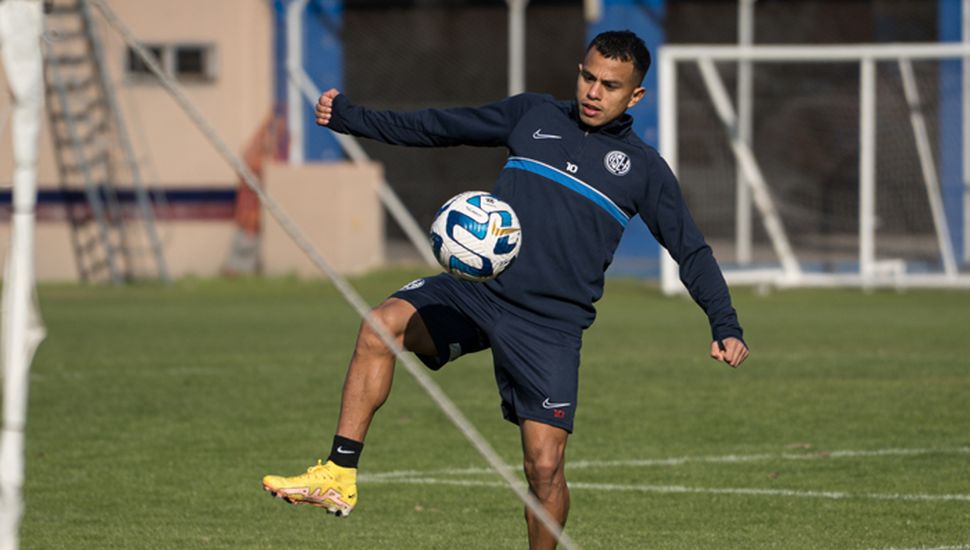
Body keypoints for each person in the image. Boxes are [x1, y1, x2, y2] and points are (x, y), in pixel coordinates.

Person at [262, 30, 749, 549]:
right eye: (588, 76)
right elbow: (440, 126)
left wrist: (725, 322)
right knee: (381, 325)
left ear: (635, 96)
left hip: (550, 326)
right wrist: (350, 118)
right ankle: (338, 475)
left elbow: (690, 249)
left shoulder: (644, 170)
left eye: (610, 86)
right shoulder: (532, 115)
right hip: (479, 293)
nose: (592, 92)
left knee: (544, 468)